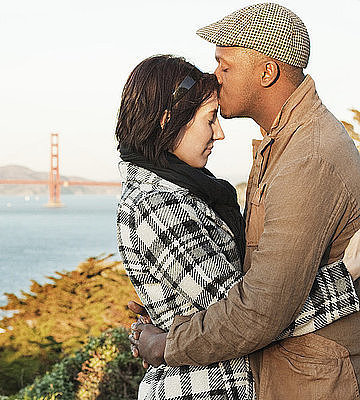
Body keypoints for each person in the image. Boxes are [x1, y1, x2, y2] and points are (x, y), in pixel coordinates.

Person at [127, 3, 360, 399]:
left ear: (267, 72)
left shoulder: (308, 157)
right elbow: (250, 296)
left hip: (309, 381)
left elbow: (261, 310)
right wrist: (177, 311)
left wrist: (168, 344)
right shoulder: (284, 142)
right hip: (284, 372)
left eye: (225, 65)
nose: (215, 78)